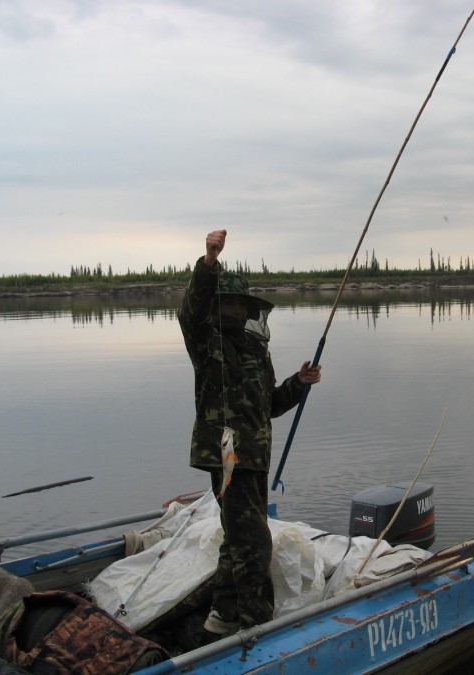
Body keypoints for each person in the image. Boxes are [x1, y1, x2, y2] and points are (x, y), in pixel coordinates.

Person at [178, 229, 322, 636]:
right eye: (231, 302)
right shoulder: (205, 341)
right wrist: (209, 262)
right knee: (255, 542)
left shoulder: (257, 350)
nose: (237, 310)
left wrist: (300, 381)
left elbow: (270, 405)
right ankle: (258, 625)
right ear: (220, 304)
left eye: (243, 303)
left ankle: (222, 616)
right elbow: (190, 311)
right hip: (226, 456)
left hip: (257, 458)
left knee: (237, 537)